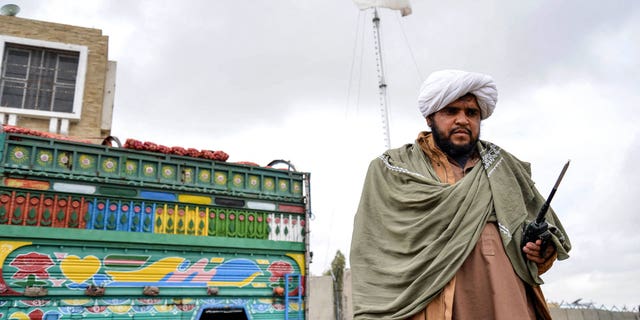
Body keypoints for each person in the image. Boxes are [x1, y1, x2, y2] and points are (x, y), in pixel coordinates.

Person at [350, 69, 571, 320]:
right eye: (451, 111)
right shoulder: (392, 170)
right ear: (430, 117)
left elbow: (542, 235)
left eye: (471, 113)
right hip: (425, 304)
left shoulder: (505, 169)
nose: (463, 120)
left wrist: (542, 251)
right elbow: (371, 249)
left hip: (505, 301)